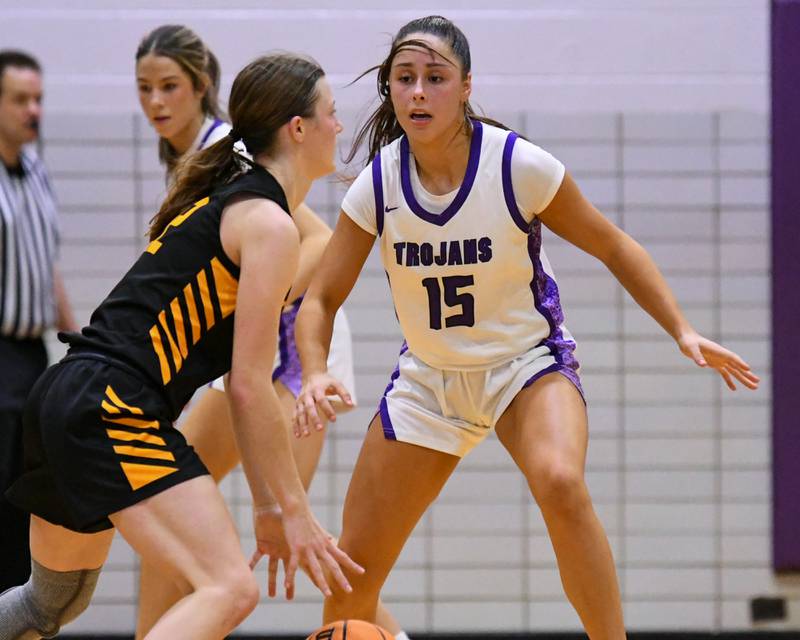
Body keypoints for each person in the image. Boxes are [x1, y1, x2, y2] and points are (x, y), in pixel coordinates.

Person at [293, 15, 761, 639]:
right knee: (353, 572)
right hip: (431, 379)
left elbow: (613, 245)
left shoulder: (516, 164)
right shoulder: (379, 182)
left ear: (464, 87)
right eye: (405, 79)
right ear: (390, 90)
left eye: (435, 78)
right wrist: (315, 372)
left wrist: (681, 329)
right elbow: (320, 296)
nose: (419, 92)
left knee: (562, 483)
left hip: (525, 367)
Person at [0, 52, 363, 640]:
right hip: (111, 404)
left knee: (49, 605)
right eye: (333, 113)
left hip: (66, 392)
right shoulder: (268, 224)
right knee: (229, 588)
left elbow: (244, 385)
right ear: (299, 128)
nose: (340, 126)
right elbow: (248, 387)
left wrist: (270, 511)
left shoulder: (233, 202)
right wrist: (294, 511)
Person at [133, 25, 411, 639]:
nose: (156, 102)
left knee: (287, 525)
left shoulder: (232, 152)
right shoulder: (202, 155)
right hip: (249, 358)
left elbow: (315, 240)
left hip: (284, 356)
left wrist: (270, 295)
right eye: (145, 88)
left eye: (169, 87)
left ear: (201, 88)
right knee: (212, 520)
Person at [0, 49, 78, 593]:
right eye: (20, 99)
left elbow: (44, 265)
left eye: (39, 99)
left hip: (29, 358)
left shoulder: (33, 167)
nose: (34, 110)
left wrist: (78, 344)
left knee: (20, 499)